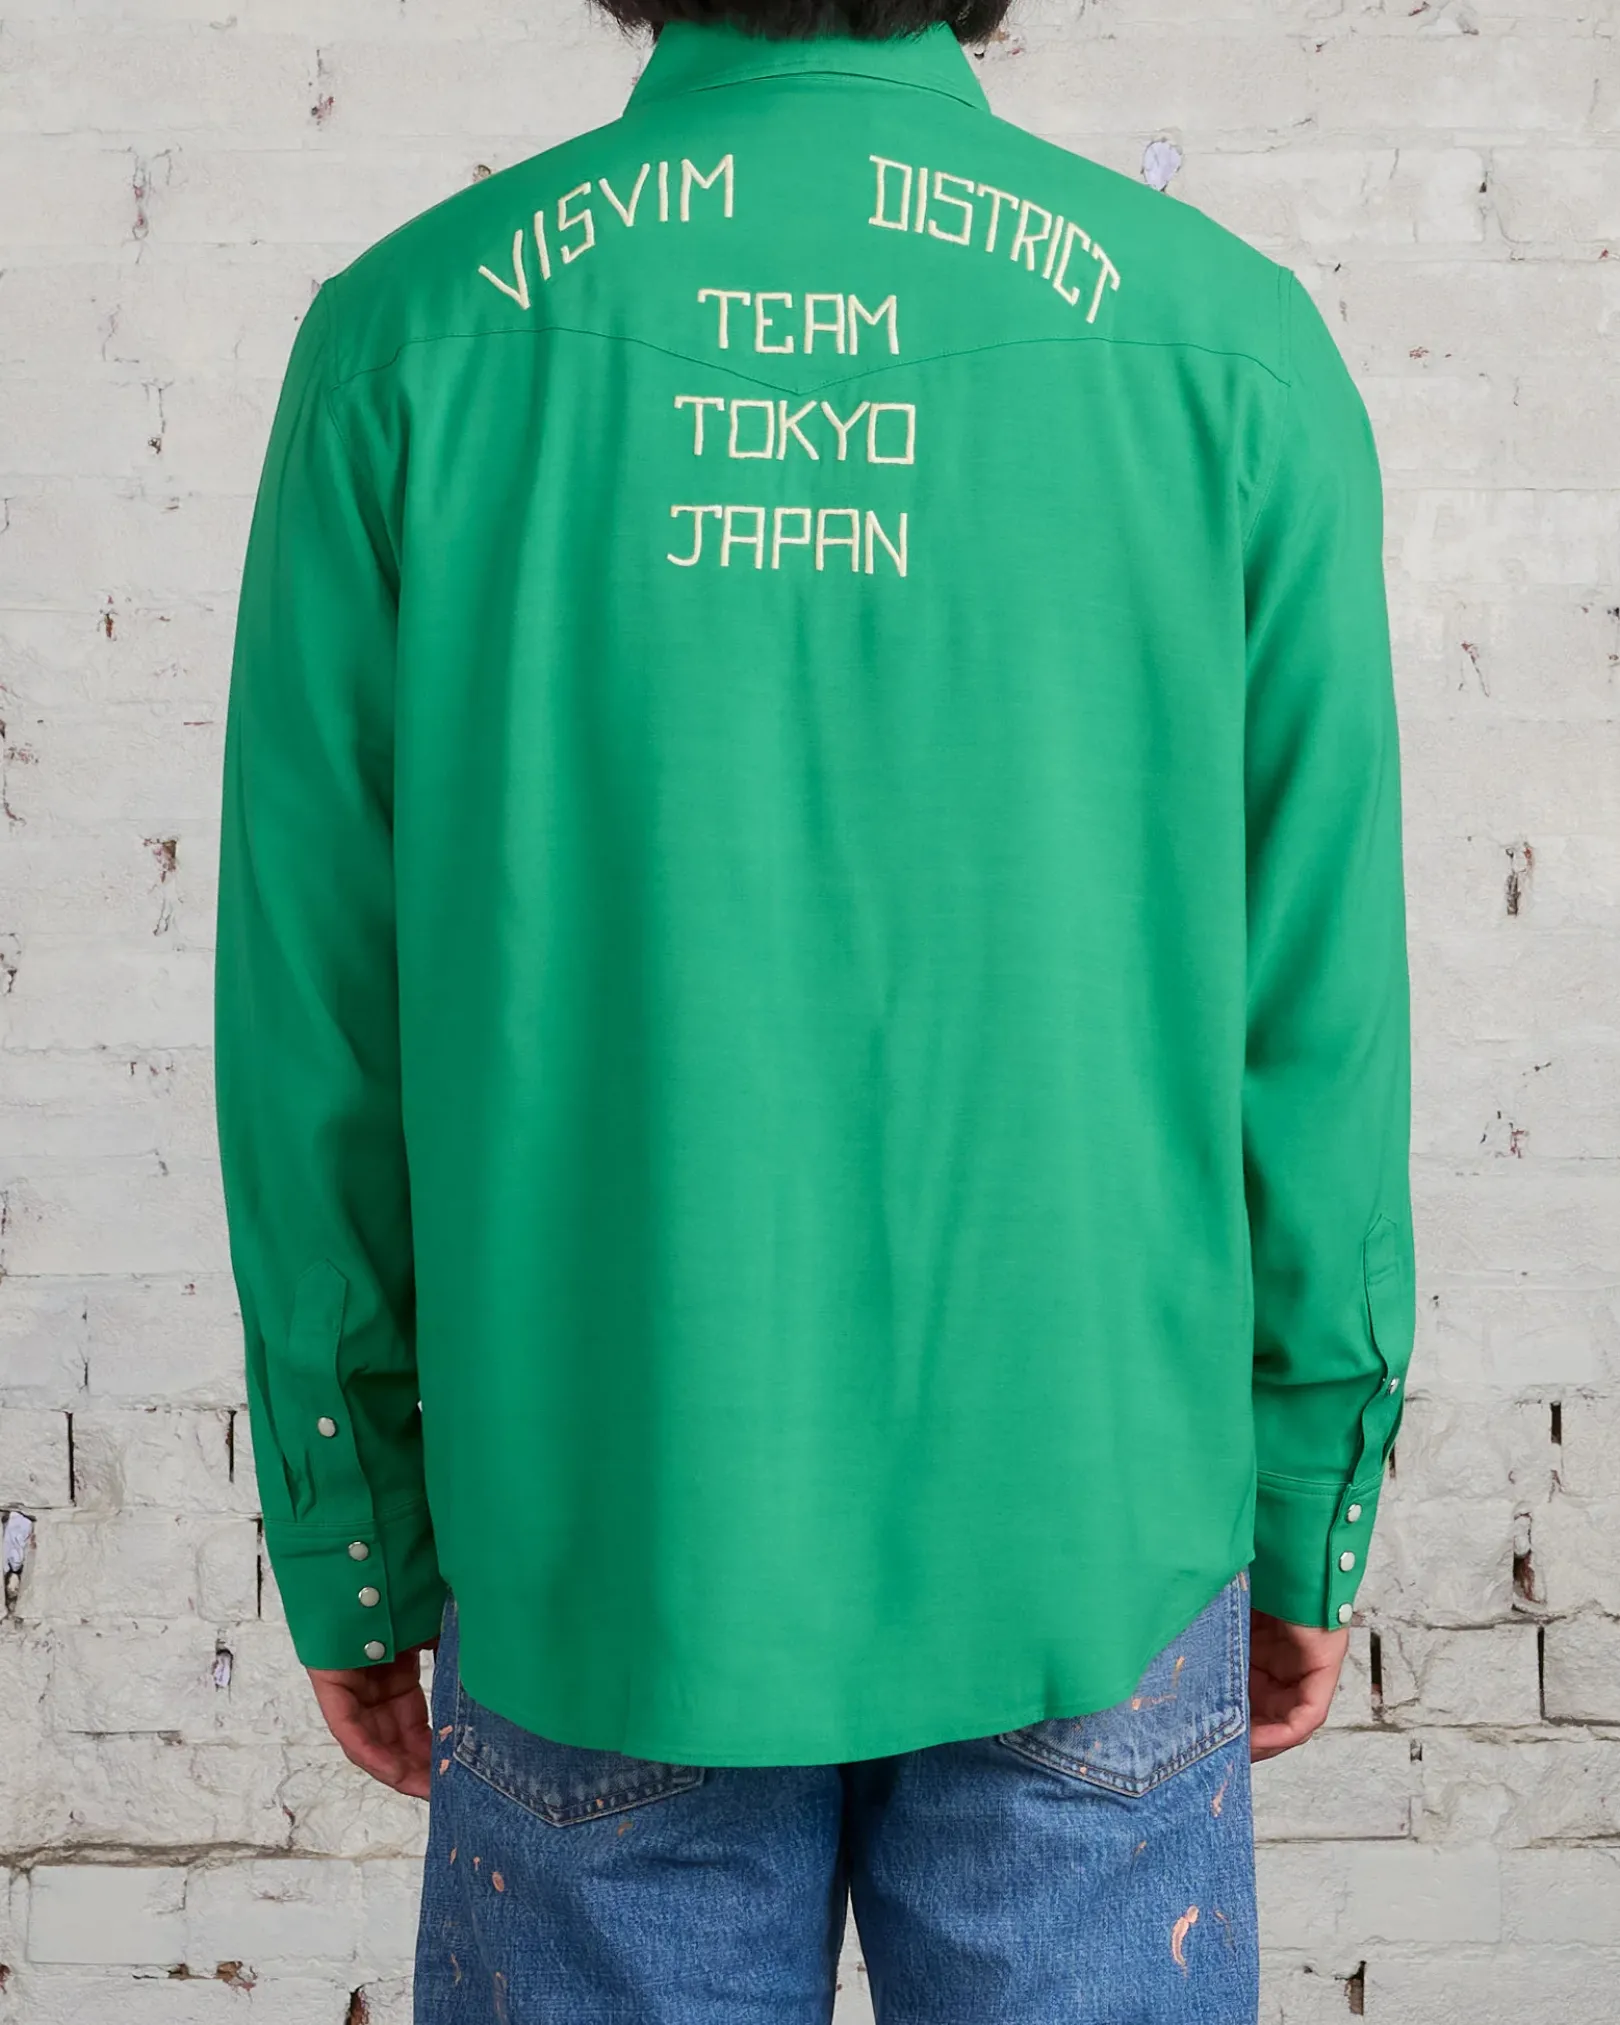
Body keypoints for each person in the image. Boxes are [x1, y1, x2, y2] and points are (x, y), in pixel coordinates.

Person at [212, 0, 1416, 2017]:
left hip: (606, 1540)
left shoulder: (407, 344)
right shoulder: (1227, 348)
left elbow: (316, 1021)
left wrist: (352, 1524)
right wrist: (1313, 1499)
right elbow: (1321, 1012)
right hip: (1090, 1536)